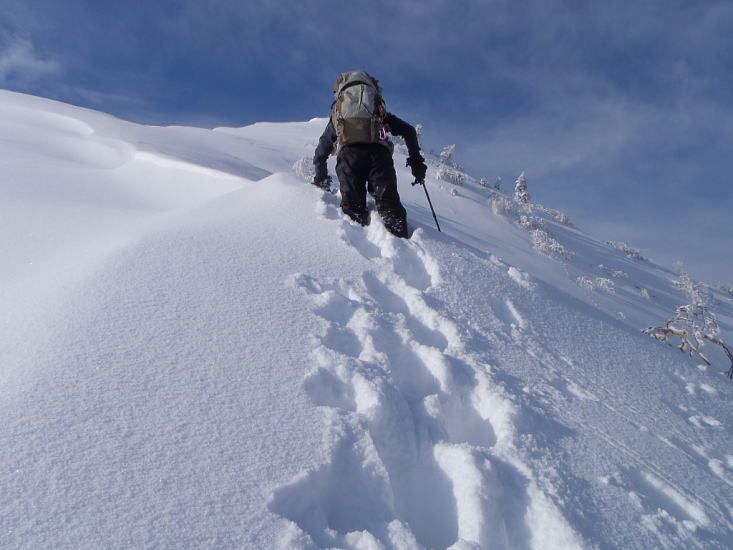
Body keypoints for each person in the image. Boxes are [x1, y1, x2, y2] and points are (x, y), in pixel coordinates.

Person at [312, 71, 427, 239]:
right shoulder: (377, 110)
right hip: (379, 155)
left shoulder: (339, 113)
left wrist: (321, 178)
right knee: (389, 206)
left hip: (349, 157)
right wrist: (416, 162)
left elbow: (322, 148)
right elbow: (409, 131)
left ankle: (355, 252)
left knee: (353, 210)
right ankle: (400, 240)